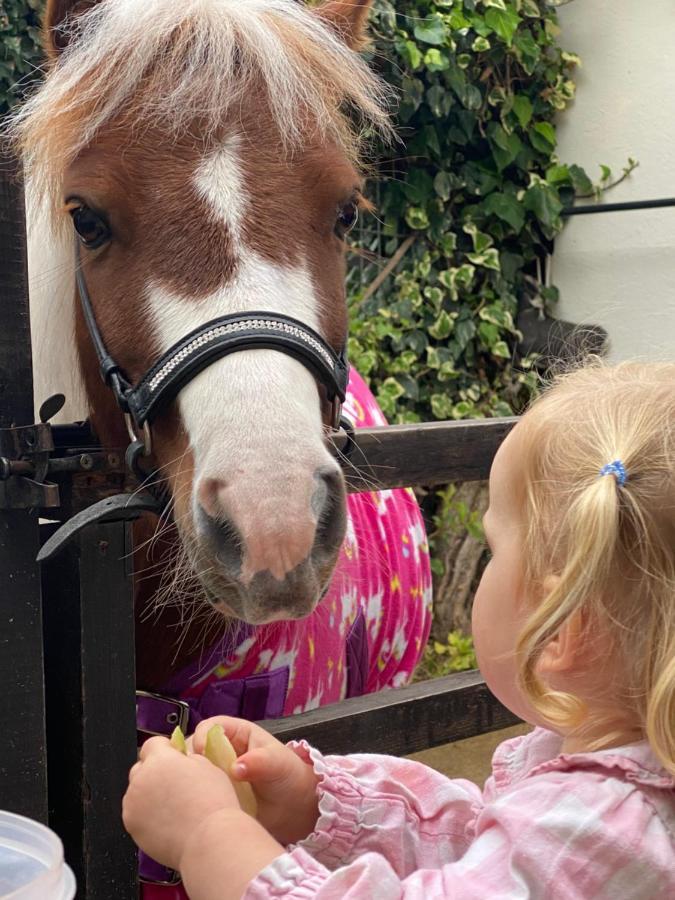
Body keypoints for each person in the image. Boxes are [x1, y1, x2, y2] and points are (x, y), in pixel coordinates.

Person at [123, 362, 675, 899]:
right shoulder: (610, 774)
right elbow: (475, 842)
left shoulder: (598, 830)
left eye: (492, 550)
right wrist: (318, 803)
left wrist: (209, 834)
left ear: (561, 628)